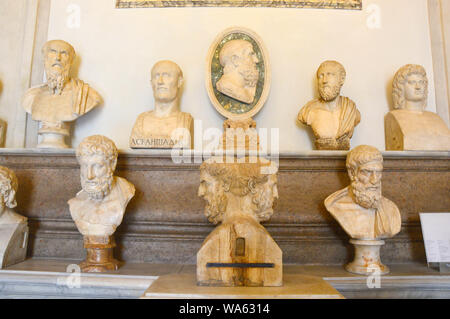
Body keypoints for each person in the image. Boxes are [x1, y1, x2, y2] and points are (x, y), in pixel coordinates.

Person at [22, 40, 101, 148]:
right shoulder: (31, 96)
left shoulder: (87, 95)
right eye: (53, 52)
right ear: (45, 58)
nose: (58, 58)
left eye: (64, 53)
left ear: (71, 61)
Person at [324, 145, 401, 239]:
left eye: (378, 172)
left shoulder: (391, 209)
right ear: (352, 173)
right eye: (367, 172)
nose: (375, 180)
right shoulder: (335, 205)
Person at [298, 60, 360, 150]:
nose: (324, 81)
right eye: (321, 76)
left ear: (341, 79)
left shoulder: (352, 111)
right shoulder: (308, 111)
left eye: (330, 74)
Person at [130, 60, 193, 148]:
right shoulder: (141, 122)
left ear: (179, 82)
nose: (160, 81)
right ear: (151, 83)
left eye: (166, 75)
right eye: (156, 76)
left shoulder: (184, 121)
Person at [216, 40, 259, 104]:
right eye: (251, 54)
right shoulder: (225, 87)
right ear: (235, 60)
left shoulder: (247, 93)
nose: (256, 60)